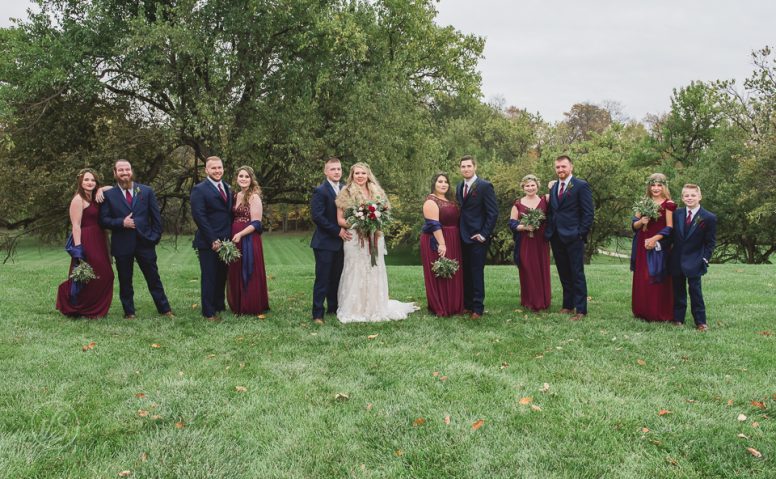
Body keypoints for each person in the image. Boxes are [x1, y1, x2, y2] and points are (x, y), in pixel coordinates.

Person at [334, 162, 417, 323]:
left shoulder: (377, 191)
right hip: (355, 239)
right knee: (356, 270)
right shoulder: (345, 193)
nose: (360, 176)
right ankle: (354, 308)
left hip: (375, 237)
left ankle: (374, 306)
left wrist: (373, 223)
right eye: (357, 173)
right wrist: (358, 223)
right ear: (352, 175)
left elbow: (384, 213)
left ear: (368, 175)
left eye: (363, 173)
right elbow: (340, 219)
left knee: (374, 269)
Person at [99, 159, 173, 319]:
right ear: (115, 173)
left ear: (131, 171)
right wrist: (121, 222)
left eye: (127, 169)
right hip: (122, 244)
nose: (124, 173)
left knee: (154, 278)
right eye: (121, 170)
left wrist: (154, 238)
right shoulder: (108, 195)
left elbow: (156, 218)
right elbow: (103, 220)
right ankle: (129, 312)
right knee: (125, 280)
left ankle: (165, 309)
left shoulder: (146, 191)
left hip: (145, 243)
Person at [56, 169, 114, 318]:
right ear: (80, 183)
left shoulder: (95, 196)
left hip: (99, 238)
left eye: (93, 180)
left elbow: (112, 188)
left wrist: (100, 188)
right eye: (86, 180)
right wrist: (78, 249)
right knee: (91, 274)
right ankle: (82, 307)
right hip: (86, 239)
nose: (90, 183)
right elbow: (75, 226)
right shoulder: (78, 199)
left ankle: (94, 307)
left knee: (106, 274)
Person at [544, 155, 594, 321]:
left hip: (574, 236)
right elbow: (552, 211)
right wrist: (550, 231)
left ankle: (581, 309)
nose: (560, 170)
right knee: (564, 272)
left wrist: (580, 233)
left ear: (571, 167)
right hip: (556, 236)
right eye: (557, 167)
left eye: (563, 167)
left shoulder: (581, 185)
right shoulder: (554, 187)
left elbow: (588, 213)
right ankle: (567, 305)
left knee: (576, 273)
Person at [668, 184, 717, 331]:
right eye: (687, 196)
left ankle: (700, 321)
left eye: (693, 195)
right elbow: (670, 235)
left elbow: (710, 242)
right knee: (678, 291)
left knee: (695, 291)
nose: (690, 198)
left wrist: (705, 259)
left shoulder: (708, 217)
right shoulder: (677, 214)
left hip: (695, 260)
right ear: (682, 198)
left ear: (699, 197)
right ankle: (678, 319)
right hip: (677, 259)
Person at [190, 156, 233, 321]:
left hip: (226, 241)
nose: (217, 171)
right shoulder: (199, 190)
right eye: (213, 168)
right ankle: (208, 312)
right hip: (208, 241)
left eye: (219, 167)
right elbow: (199, 216)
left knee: (222, 275)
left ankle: (219, 305)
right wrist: (213, 239)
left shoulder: (227, 187)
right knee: (209, 276)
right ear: (206, 170)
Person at [456, 155, 498, 319]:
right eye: (463, 167)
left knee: (476, 272)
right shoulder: (460, 186)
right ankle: (467, 305)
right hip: (462, 235)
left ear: (475, 167)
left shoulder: (485, 186)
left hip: (478, 237)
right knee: (465, 272)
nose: (466, 169)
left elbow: (492, 213)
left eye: (468, 166)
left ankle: (478, 308)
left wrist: (483, 234)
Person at [310, 157, 350, 325]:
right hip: (325, 242)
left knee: (337, 277)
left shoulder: (344, 189)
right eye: (333, 169)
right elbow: (317, 216)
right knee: (323, 278)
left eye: (339, 169)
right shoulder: (320, 191)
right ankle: (318, 314)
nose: (336, 172)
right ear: (326, 172)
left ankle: (333, 308)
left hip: (342, 243)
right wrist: (337, 230)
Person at [630, 173, 675, 322]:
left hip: (659, 244)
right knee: (642, 276)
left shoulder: (668, 204)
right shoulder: (643, 203)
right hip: (642, 243)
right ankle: (642, 311)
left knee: (656, 274)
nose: (655, 188)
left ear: (664, 187)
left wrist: (655, 238)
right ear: (649, 186)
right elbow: (634, 226)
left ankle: (657, 312)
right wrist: (642, 221)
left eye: (659, 185)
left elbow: (669, 227)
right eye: (653, 185)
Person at [227, 166, 269, 315]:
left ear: (251, 179)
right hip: (235, 237)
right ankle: (237, 304)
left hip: (249, 238)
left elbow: (256, 223)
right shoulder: (235, 195)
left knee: (248, 268)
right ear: (237, 178)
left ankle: (249, 305)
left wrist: (241, 234)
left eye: (246, 176)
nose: (243, 179)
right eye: (241, 176)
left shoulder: (254, 197)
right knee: (236, 268)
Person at [420, 172, 464, 316]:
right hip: (438, 239)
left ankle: (454, 304)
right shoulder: (431, 201)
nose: (443, 184)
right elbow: (434, 225)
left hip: (453, 238)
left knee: (453, 270)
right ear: (434, 184)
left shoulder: (449, 199)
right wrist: (442, 244)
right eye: (440, 181)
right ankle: (441, 306)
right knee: (441, 271)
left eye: (446, 182)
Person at [509, 174, 551, 311]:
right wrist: (525, 227)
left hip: (541, 241)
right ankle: (529, 300)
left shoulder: (546, 200)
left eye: (532, 185)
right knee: (528, 268)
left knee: (541, 268)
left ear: (537, 186)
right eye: (527, 185)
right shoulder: (517, 204)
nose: (530, 188)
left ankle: (542, 301)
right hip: (525, 241)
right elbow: (512, 224)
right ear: (523, 187)